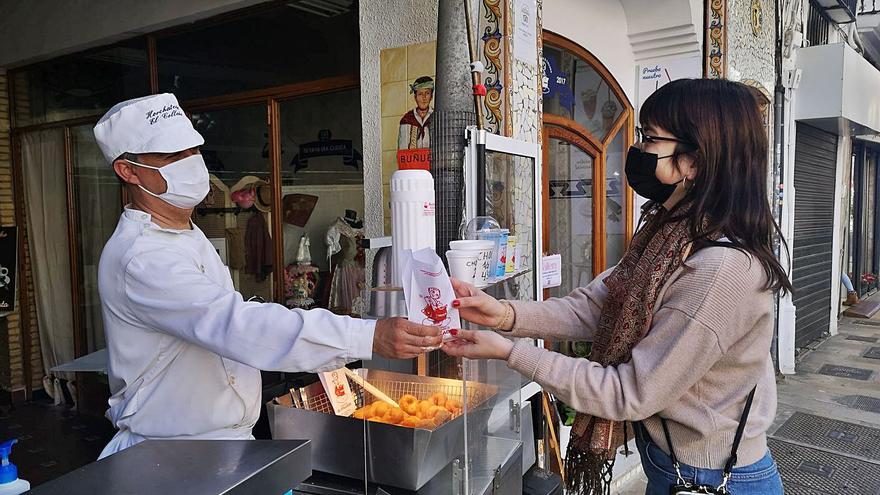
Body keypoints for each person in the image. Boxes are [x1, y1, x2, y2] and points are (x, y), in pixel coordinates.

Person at [443, 79, 787, 494]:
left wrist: (511, 352)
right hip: (675, 466)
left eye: (649, 139)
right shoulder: (670, 234)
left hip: (712, 480)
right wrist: (505, 315)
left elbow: (630, 392)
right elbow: (595, 305)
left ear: (693, 161)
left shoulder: (718, 270)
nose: (637, 150)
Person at [93, 94, 442, 459]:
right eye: (171, 156)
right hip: (170, 457)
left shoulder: (186, 234)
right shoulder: (142, 258)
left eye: (193, 150)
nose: (191, 163)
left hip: (220, 448)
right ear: (128, 171)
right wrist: (368, 336)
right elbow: (236, 326)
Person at [397, 76, 434, 150]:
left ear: (431, 96)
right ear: (415, 97)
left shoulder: (436, 117)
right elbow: (402, 149)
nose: (424, 98)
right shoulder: (407, 119)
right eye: (420, 94)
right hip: (412, 161)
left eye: (427, 93)